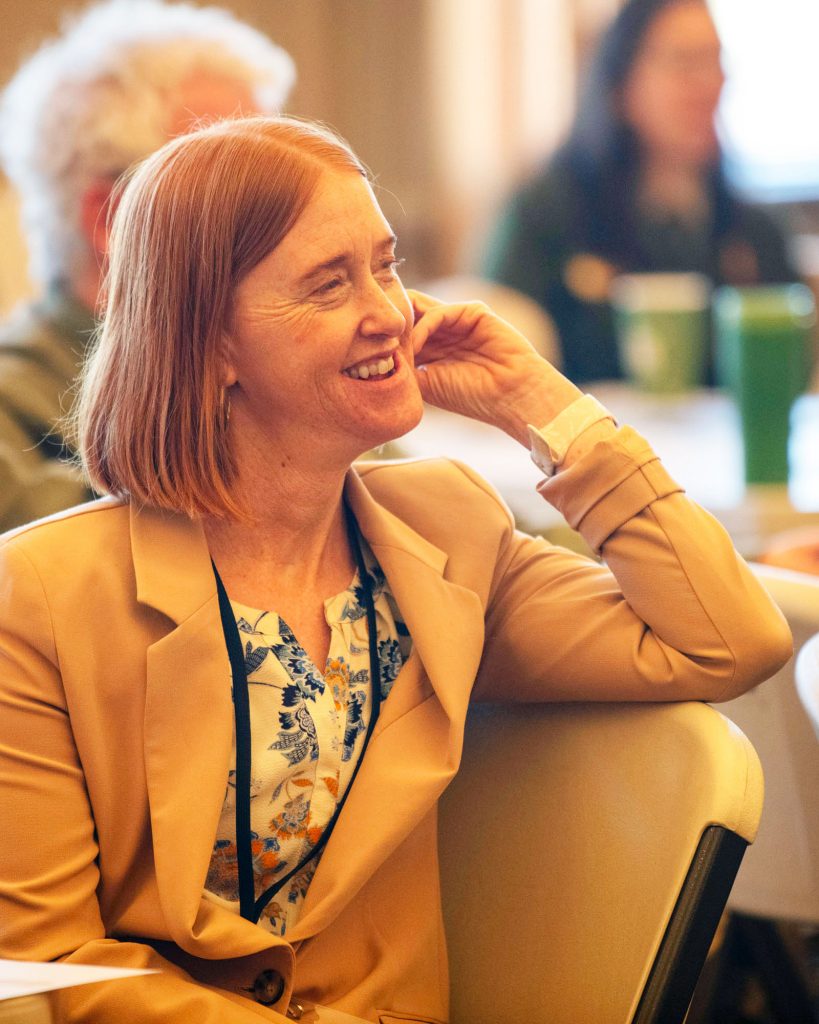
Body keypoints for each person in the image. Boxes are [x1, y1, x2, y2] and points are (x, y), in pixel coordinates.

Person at [0, 115, 791, 1024]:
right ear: (209, 342)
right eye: (328, 285)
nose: (389, 312)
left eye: (386, 265)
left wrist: (541, 406)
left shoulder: (445, 532)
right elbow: (49, 967)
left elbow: (728, 639)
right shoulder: (41, 596)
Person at [0, 0, 294, 532]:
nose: (288, 218)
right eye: (235, 184)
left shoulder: (289, 360)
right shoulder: (12, 417)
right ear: (113, 220)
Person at [481, 0, 798, 385]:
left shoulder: (754, 233)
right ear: (622, 77)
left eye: (716, 62)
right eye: (685, 62)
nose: (708, 84)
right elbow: (491, 352)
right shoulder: (546, 215)